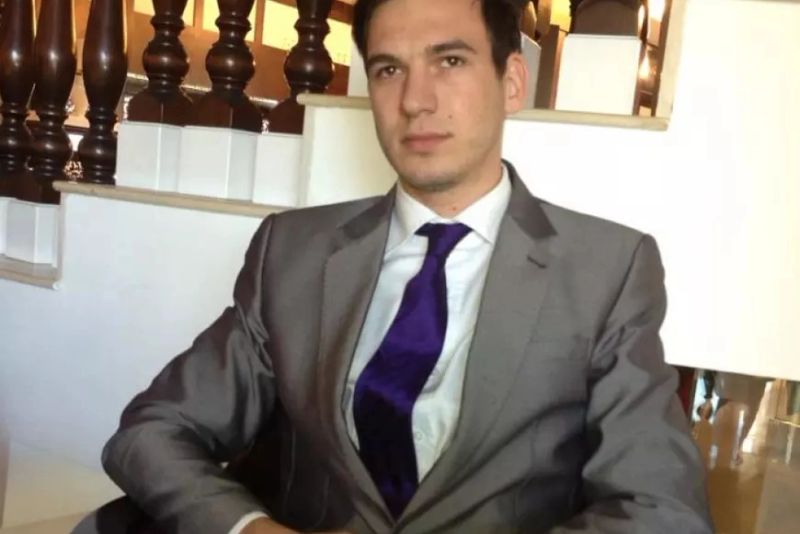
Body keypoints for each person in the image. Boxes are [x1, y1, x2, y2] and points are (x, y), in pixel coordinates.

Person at [97, 0, 713, 532]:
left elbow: (661, 512)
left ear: (512, 82)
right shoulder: (292, 252)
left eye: (451, 60)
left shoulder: (608, 269)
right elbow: (150, 434)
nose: (416, 101)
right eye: (389, 69)